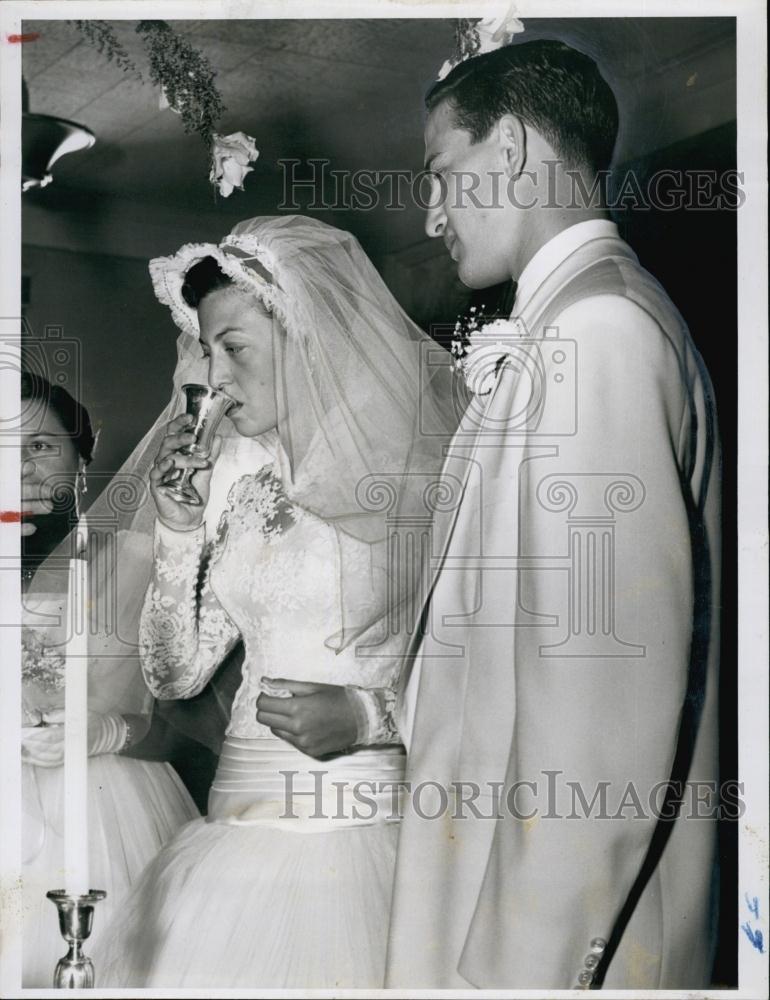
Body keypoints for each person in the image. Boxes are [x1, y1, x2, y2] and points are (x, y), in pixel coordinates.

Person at [384, 39, 721, 989]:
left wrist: (509, 977)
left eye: (442, 175)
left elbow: (594, 741)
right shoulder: (575, 324)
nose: (432, 212)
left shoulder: (598, 335)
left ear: (520, 154)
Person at [94, 215, 456, 988]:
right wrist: (180, 532)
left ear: (308, 339)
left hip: (358, 836)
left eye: (234, 349)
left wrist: (368, 716)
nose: (213, 376)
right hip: (228, 835)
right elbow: (175, 675)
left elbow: (489, 668)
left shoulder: (415, 480)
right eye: (208, 348)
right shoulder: (239, 478)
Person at [19, 372, 198, 987]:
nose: (19, 469)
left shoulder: (139, 560)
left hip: (108, 818)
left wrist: (110, 731)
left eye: (40, 446)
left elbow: (199, 732)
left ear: (84, 448)